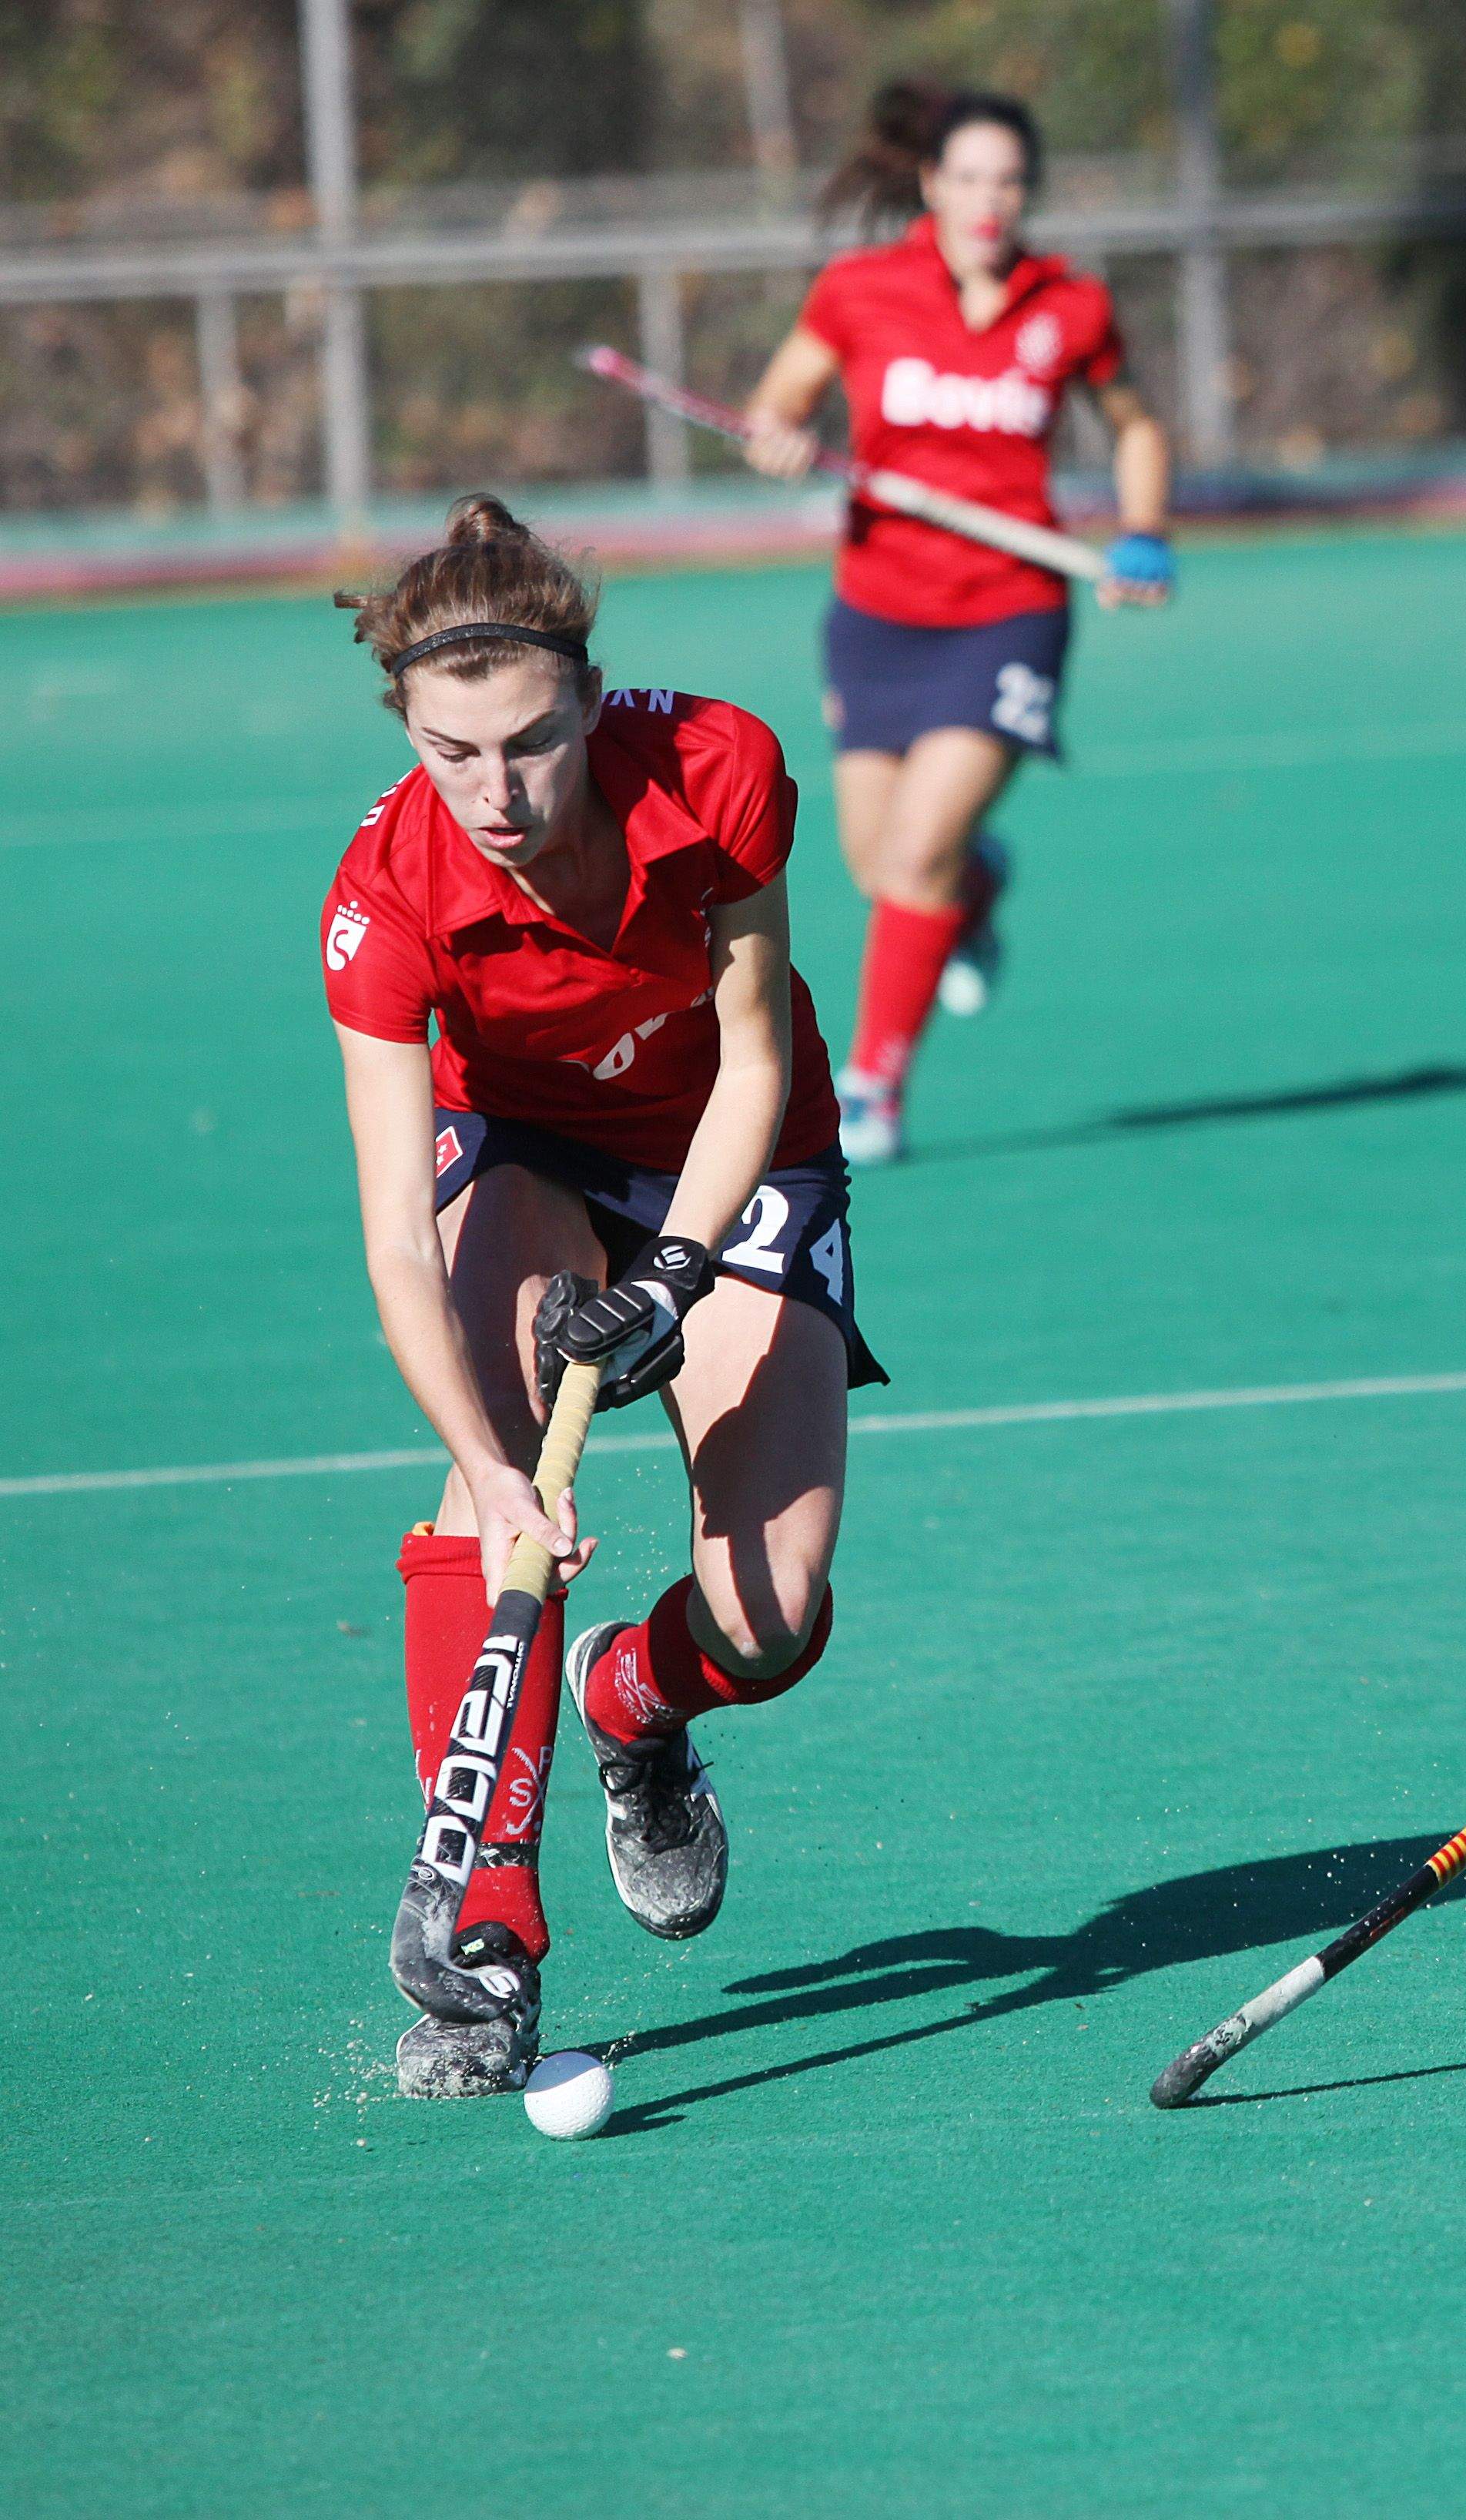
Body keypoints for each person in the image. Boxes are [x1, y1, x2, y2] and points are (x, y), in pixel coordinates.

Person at [324, 496, 882, 2099]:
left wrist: (674, 1279)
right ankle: (489, 1939)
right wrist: (494, 1473)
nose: (495, 794)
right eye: (451, 753)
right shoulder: (385, 897)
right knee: (490, 1487)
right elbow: (397, 1242)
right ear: (407, 730)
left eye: (530, 744)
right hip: (527, 1150)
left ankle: (631, 1706)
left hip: (738, 1151)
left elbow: (756, 1062)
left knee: (771, 1621)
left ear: (587, 696)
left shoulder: (717, 771)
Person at [741, 79, 1176, 1165]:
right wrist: (779, 436)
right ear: (931, 184)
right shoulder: (859, 291)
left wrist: (1144, 530)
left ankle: (874, 1087)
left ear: (1030, 192)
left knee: (915, 854)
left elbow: (1135, 426)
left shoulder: (1070, 306)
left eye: (1010, 182)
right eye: (970, 179)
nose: (990, 201)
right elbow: (775, 406)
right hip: (876, 615)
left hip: (1009, 614)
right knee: (880, 864)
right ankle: (977, 888)